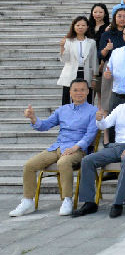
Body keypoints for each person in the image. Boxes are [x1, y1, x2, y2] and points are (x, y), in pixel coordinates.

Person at [73, 76, 125, 218]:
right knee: (87, 160)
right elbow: (105, 125)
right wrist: (99, 119)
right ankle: (89, 203)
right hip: (117, 147)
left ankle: (117, 203)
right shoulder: (120, 108)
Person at [10, 79, 98, 217]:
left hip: (77, 149)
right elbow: (44, 125)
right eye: (75, 90)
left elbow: (90, 135)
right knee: (29, 165)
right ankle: (28, 201)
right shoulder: (63, 110)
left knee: (63, 162)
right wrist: (33, 118)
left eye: (82, 89)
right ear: (70, 92)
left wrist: (75, 147)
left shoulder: (93, 111)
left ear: (88, 91)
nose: (79, 93)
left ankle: (67, 199)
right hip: (57, 147)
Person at [58, 16, 99, 106]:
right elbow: (64, 59)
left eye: (83, 25)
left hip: (86, 72)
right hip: (71, 73)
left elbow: (94, 60)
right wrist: (62, 47)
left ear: (87, 27)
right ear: (74, 26)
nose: (80, 27)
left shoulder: (91, 42)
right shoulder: (68, 41)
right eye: (78, 25)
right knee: (68, 100)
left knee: (86, 99)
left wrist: (94, 78)